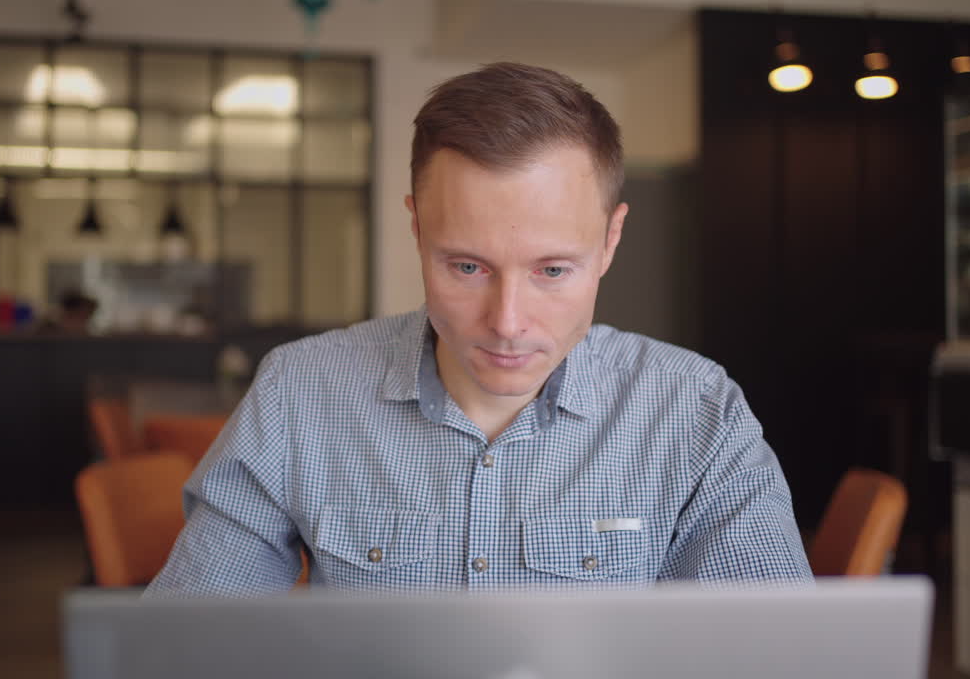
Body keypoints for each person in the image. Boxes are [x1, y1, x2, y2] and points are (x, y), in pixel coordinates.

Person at [146, 62, 812, 596]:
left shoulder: (696, 413)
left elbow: (776, 658)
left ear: (610, 241)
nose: (508, 323)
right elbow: (184, 645)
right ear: (416, 228)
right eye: (467, 266)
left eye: (552, 270)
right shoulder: (302, 391)